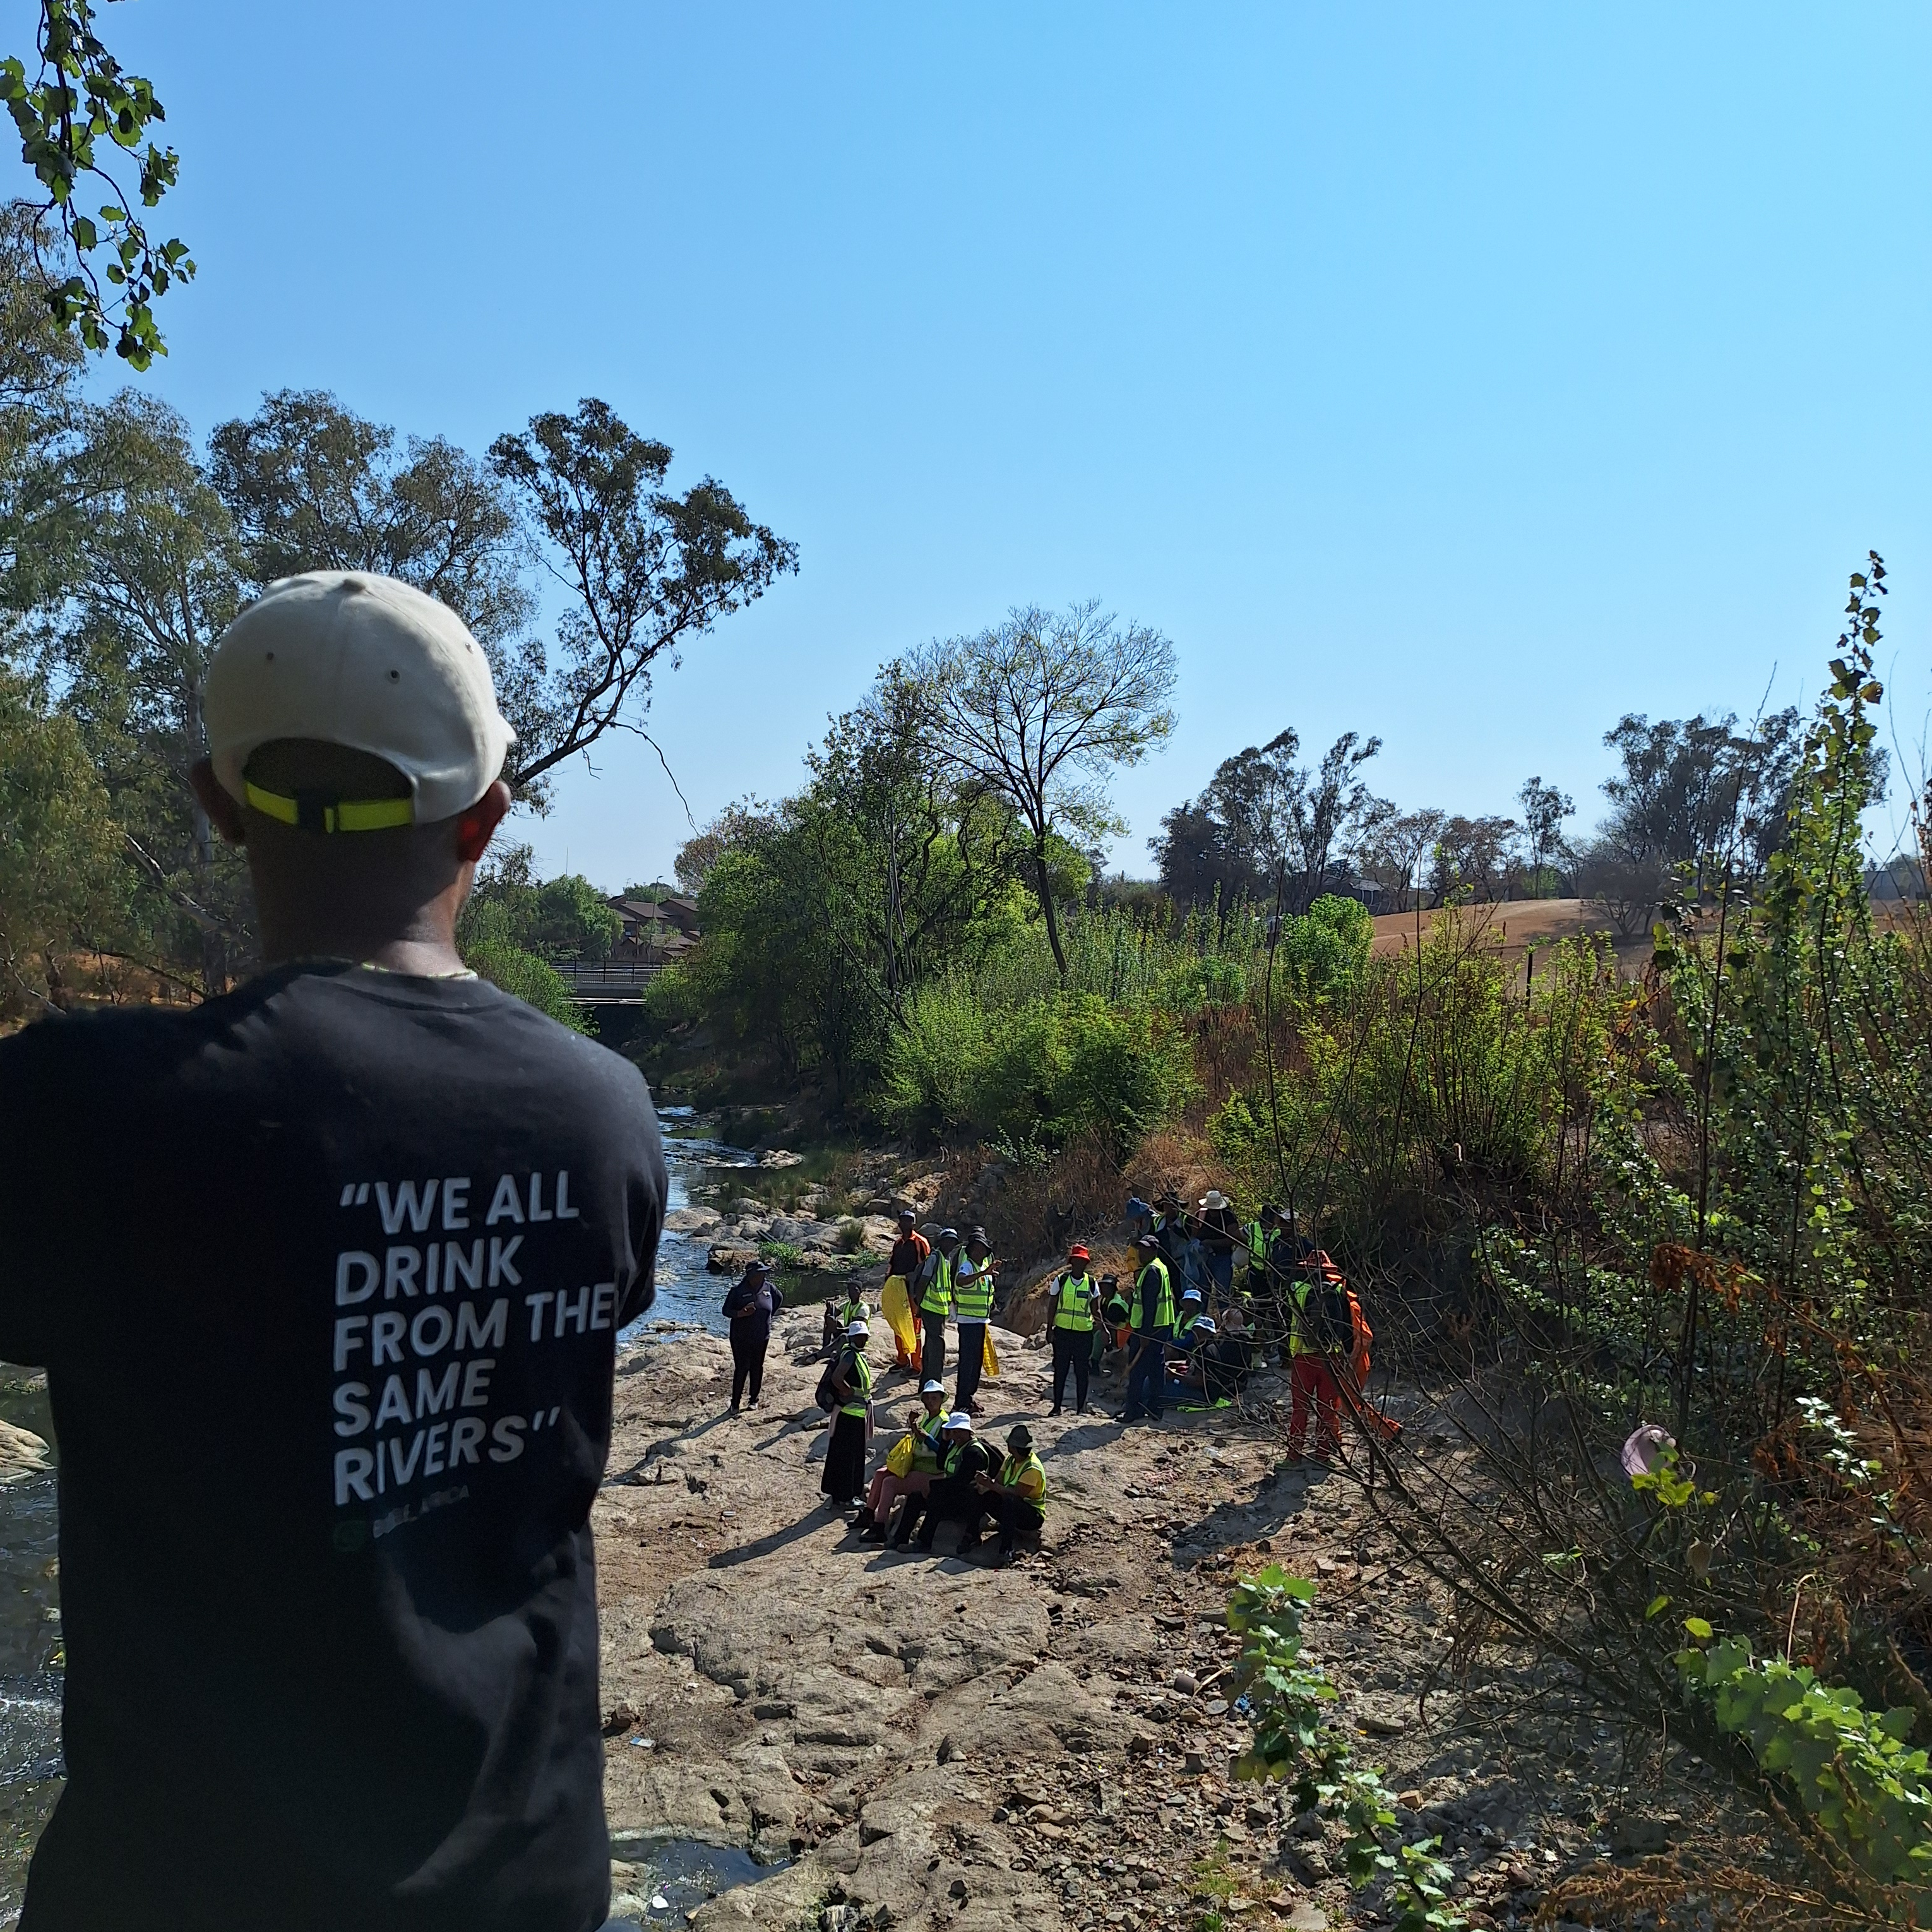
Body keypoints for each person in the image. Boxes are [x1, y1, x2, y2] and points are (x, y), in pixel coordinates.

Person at [0, 571, 667, 1929]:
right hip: (519, 1884)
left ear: (218, 801)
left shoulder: (82, 1108)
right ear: (485, 816)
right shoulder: (604, 1111)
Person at [857, 1380, 948, 1542]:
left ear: (942, 1400)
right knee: (880, 1474)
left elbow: (943, 1451)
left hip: (932, 1473)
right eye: (928, 1398)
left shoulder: (945, 1422)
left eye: (935, 1398)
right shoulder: (926, 1417)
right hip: (915, 1466)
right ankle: (869, 1514)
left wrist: (926, 1438)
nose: (930, 1402)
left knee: (890, 1483)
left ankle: (880, 1526)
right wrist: (913, 1425)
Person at [1287, 1250, 1351, 1462]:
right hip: (1331, 1357)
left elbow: (1286, 1320)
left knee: (1300, 1409)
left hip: (1303, 1356)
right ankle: (1324, 1453)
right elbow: (1348, 1327)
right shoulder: (1341, 1290)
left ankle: (1294, 1454)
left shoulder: (1296, 1289)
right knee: (1328, 1408)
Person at [905, 1413, 994, 1554]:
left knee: (937, 1498)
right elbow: (941, 1464)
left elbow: (961, 1482)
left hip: (968, 1503)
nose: (956, 1435)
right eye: (953, 1431)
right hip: (955, 1497)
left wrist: (933, 1487)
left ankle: (924, 1542)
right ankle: (900, 1538)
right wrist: (945, 1442)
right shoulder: (958, 1446)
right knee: (916, 1497)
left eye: (960, 1431)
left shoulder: (974, 1452)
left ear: (968, 1432)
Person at [1122, 1233, 1176, 1423]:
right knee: (1155, 1371)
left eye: (1146, 1249)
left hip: (1149, 1330)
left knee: (1137, 1371)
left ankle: (1133, 1411)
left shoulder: (1152, 1271)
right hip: (1160, 1328)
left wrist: (1144, 1334)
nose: (1142, 1252)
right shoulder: (1160, 1267)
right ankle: (1155, 1410)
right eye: (1141, 1249)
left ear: (1154, 1250)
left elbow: (1150, 1305)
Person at [821, 1316, 875, 1506]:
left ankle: (841, 1494)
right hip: (851, 1414)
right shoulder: (851, 1354)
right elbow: (837, 1378)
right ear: (853, 1338)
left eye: (865, 1337)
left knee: (841, 1455)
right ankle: (846, 1497)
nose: (864, 1340)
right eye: (860, 1337)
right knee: (849, 1458)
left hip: (853, 1413)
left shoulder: (853, 1353)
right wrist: (848, 1391)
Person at [973, 1424, 1048, 1559]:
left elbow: (1017, 1494)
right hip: (1012, 1506)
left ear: (1012, 1447)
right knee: (983, 1494)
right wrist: (986, 1484)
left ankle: (1007, 1548)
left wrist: (990, 1485)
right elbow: (999, 1481)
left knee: (1010, 1501)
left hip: (1031, 1515)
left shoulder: (1032, 1469)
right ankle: (972, 1535)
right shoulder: (1011, 1460)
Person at [722, 1258, 782, 1411]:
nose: (763, 1276)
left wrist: (768, 1316)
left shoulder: (769, 1288)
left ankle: (753, 1400)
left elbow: (778, 1299)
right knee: (742, 1368)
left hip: (762, 1336)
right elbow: (726, 1311)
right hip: (741, 1337)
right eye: (760, 1273)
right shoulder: (738, 1291)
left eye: (764, 1273)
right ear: (751, 1275)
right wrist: (741, 1313)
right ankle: (735, 1403)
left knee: (757, 1367)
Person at [1047, 1244, 1100, 1416]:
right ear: (1072, 1262)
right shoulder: (1061, 1280)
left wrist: (1104, 1328)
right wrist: (1049, 1329)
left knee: (1082, 1371)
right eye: (1076, 1261)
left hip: (1084, 1334)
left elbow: (1096, 1309)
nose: (1079, 1264)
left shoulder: (1091, 1283)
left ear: (1086, 1264)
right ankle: (1056, 1407)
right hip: (1062, 1332)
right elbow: (1052, 1305)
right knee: (1061, 1370)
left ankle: (1081, 1407)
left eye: (1083, 1261)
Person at [951, 1227, 997, 1416]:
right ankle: (960, 1402)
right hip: (968, 1322)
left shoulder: (983, 1267)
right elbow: (961, 1281)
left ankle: (969, 1398)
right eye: (976, 1249)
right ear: (970, 1251)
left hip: (980, 1321)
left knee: (976, 1363)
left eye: (982, 1249)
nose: (979, 1252)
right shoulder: (968, 1266)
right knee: (967, 1363)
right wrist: (983, 1273)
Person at [914, 1227, 960, 1386]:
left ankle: (926, 1382)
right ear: (941, 1242)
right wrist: (919, 1306)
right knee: (937, 1347)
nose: (951, 1245)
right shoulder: (935, 1258)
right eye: (948, 1241)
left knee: (931, 1345)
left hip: (939, 1309)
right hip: (931, 1308)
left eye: (953, 1242)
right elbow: (922, 1282)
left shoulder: (946, 1260)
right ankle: (934, 1382)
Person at [885, 1209, 930, 1370]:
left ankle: (917, 1364)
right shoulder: (898, 1243)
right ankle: (902, 1359)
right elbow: (892, 1264)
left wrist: (919, 1287)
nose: (905, 1224)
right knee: (898, 1324)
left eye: (908, 1221)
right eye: (902, 1221)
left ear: (914, 1223)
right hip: (898, 1289)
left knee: (914, 1327)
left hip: (913, 1290)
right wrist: (888, 1278)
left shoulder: (920, 1242)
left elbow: (927, 1266)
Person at [1196, 1190, 1241, 1304]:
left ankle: (1225, 1318)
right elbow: (1194, 1233)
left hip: (1223, 1258)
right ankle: (1200, 1318)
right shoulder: (1201, 1215)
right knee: (1202, 1291)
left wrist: (1211, 1243)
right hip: (1204, 1257)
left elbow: (1233, 1240)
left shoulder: (1229, 1218)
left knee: (1223, 1292)